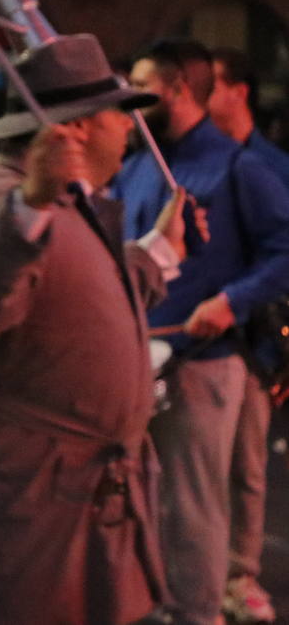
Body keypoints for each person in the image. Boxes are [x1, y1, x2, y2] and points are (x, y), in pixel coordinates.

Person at [0, 33, 190, 625]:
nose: (128, 129)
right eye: (119, 112)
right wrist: (30, 204)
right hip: (18, 501)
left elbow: (79, 301)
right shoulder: (0, 197)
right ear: (82, 126)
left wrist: (159, 254)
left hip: (66, 499)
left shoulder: (67, 200)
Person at [112, 38, 289, 625]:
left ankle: (198, 614)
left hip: (205, 359)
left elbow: (285, 250)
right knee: (142, 501)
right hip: (140, 358)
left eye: (142, 86)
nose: (130, 100)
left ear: (179, 90)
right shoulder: (136, 166)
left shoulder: (240, 166)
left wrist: (231, 300)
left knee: (194, 505)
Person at [206, 47, 289, 624]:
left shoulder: (269, 165)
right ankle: (208, 574)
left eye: (209, 84)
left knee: (247, 466)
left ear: (239, 91)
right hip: (206, 340)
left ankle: (240, 572)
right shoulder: (195, 159)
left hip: (250, 336)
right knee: (200, 469)